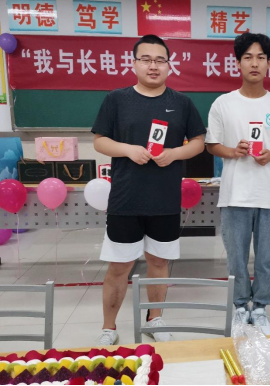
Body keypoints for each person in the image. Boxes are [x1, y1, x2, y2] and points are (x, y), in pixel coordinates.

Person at [92, 35, 207, 345]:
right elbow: (100, 141)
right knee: (119, 266)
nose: (153, 66)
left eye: (160, 60)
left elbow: (198, 142)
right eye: (146, 59)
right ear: (134, 64)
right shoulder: (116, 99)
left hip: (165, 200)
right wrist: (128, 150)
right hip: (125, 199)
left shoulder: (181, 103)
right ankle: (108, 328)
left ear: (169, 66)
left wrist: (174, 153)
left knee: (159, 263)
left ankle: (155, 318)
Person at [206, 33, 270, 335]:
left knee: (266, 259)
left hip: (269, 194)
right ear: (238, 63)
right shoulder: (223, 103)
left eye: (260, 57)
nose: (254, 63)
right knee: (237, 259)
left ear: (269, 63)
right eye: (248, 57)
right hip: (234, 194)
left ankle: (261, 308)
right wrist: (233, 151)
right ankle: (241, 307)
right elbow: (211, 144)